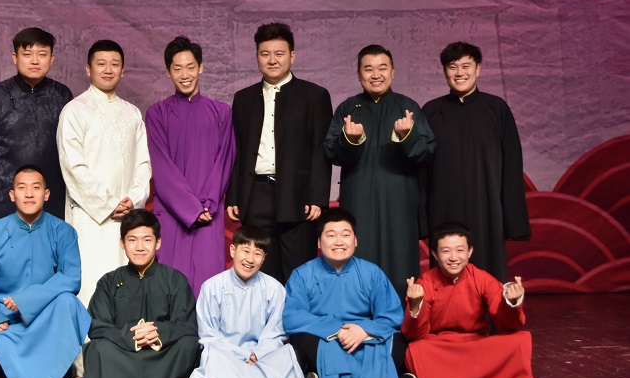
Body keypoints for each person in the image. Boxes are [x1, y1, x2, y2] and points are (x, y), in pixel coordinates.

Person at [0, 165, 91, 378]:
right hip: (7, 319)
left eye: (36, 188)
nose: (29, 194)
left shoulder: (63, 231)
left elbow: (71, 278)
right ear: (12, 195)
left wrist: (27, 300)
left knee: (68, 301)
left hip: (46, 317)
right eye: (22, 188)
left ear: (46, 194)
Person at [324, 45, 435, 297]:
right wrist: (350, 140)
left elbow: (427, 152)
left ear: (393, 72)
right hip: (358, 199)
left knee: (400, 263)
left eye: (382, 68)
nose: (376, 75)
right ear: (359, 74)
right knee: (358, 262)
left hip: (400, 200)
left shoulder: (408, 107)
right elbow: (330, 152)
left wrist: (407, 137)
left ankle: (400, 316)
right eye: (368, 69)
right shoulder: (348, 109)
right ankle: (357, 315)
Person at [226, 22, 333, 284]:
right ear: (257, 56)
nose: (272, 60)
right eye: (265, 54)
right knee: (260, 272)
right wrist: (235, 196)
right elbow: (237, 150)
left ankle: (298, 313)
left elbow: (320, 150)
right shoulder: (243, 98)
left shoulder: (314, 96)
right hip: (256, 195)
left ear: (292, 56)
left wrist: (317, 197)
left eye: (279, 53)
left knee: (299, 272)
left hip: (298, 196)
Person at [69, 209, 213, 378]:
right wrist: (132, 336)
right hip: (122, 351)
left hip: (162, 351)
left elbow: (186, 325)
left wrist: (158, 332)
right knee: (98, 347)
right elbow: (97, 326)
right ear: (122, 243)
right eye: (132, 240)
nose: (139, 247)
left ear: (158, 242)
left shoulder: (175, 280)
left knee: (187, 344)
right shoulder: (108, 281)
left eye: (147, 240)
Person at [423, 42, 531, 283]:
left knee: (488, 272)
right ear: (444, 71)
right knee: (445, 272)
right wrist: (422, 219)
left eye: (466, 66)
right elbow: (421, 170)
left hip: (486, 207)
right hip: (444, 208)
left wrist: (512, 220)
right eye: (453, 67)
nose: (459, 73)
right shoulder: (431, 111)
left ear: (478, 69)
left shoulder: (496, 109)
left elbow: (511, 166)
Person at [57, 40, 151, 305]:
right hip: (91, 217)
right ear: (88, 69)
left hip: (127, 216)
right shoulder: (75, 111)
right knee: (92, 286)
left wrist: (133, 199)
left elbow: (143, 164)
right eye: (101, 64)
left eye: (115, 64)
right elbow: (73, 167)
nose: (108, 70)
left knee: (128, 288)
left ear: (123, 70)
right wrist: (109, 204)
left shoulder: (132, 113)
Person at [283, 207, 415, 378]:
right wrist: (336, 329)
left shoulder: (372, 272)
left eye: (345, 235)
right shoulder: (302, 274)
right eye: (331, 235)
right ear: (319, 242)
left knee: (397, 341)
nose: (339, 242)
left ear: (355, 240)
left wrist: (363, 330)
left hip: (363, 339)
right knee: (303, 341)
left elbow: (391, 315)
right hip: (325, 338)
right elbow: (292, 316)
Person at [145, 36, 235, 296]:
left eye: (190, 67)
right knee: (171, 285)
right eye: (177, 68)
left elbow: (225, 160)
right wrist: (192, 209)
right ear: (168, 71)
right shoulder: (157, 114)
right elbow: (161, 168)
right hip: (173, 214)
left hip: (209, 214)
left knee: (209, 283)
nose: (185, 75)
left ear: (201, 67)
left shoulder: (221, 112)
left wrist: (207, 204)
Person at [402, 222, 535, 378]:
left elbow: (507, 324)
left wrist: (511, 302)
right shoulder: (425, 282)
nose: (453, 257)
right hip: (441, 347)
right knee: (418, 349)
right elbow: (413, 334)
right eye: (446, 251)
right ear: (435, 254)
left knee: (519, 340)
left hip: (476, 345)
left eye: (460, 250)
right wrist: (415, 304)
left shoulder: (481, 278)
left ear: (469, 252)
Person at [188, 225, 308, 378]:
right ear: (232, 250)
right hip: (226, 355)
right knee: (210, 355)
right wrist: (243, 355)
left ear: (264, 258)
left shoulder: (274, 288)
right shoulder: (212, 287)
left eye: (257, 253)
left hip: (262, 357)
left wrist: (257, 354)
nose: (250, 259)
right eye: (245, 251)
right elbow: (208, 335)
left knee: (289, 354)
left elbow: (275, 332)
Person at [0, 27, 73, 221]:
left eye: (42, 54)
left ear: (52, 59)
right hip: (7, 197)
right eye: (27, 54)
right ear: (15, 57)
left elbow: (71, 148)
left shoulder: (62, 96)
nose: (35, 61)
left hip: (52, 196)